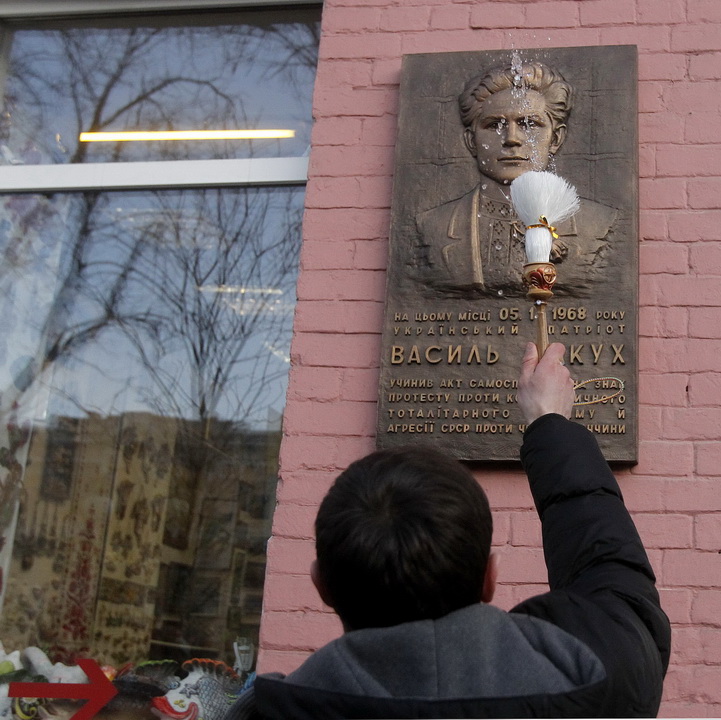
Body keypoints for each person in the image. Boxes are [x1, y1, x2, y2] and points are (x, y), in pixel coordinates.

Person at [227, 341, 670, 719]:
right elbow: (616, 582)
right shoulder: (594, 683)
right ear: (489, 578)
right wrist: (548, 423)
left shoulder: (267, 710)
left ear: (320, 585)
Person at [412, 61, 618, 298]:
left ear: (555, 139)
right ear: (471, 141)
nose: (512, 139)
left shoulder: (598, 223)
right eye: (495, 125)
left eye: (529, 124)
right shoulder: (431, 225)